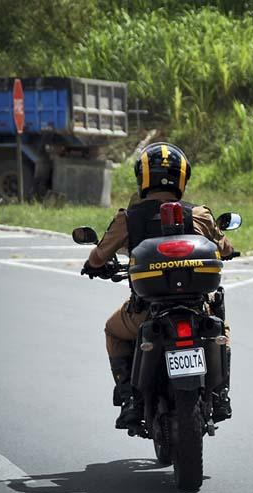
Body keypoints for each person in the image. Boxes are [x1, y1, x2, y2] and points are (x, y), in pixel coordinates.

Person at [82, 142, 236, 429]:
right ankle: (221, 394)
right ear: (182, 178)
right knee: (222, 329)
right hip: (197, 309)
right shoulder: (200, 215)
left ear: (143, 178)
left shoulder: (127, 219)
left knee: (112, 329)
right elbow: (226, 248)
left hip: (146, 313)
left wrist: (93, 264)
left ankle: (129, 398)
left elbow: (99, 255)